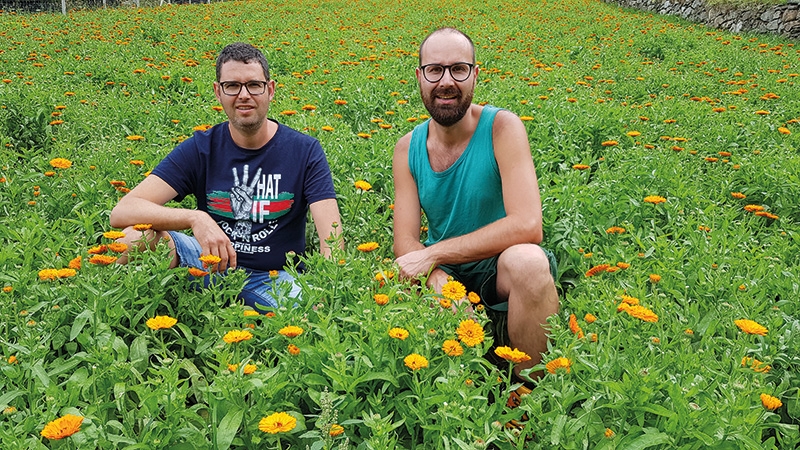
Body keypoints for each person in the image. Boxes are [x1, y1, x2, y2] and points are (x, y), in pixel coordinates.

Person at [110, 42, 342, 310]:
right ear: (218, 92)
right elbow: (123, 211)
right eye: (232, 86)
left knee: (313, 313)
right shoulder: (201, 148)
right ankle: (112, 312)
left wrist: (326, 293)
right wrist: (196, 218)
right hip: (206, 263)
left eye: (254, 85)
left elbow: (332, 238)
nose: (244, 95)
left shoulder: (304, 151)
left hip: (274, 278)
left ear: (270, 90)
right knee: (134, 238)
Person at [392, 28, 559, 386]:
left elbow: (528, 224)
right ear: (419, 76)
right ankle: (456, 394)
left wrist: (432, 254)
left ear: (475, 75)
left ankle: (529, 393)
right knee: (403, 286)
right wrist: (437, 277)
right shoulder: (407, 148)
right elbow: (404, 241)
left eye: (458, 69)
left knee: (530, 262)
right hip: (446, 269)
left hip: (500, 266)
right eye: (435, 70)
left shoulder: (502, 128)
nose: (446, 81)